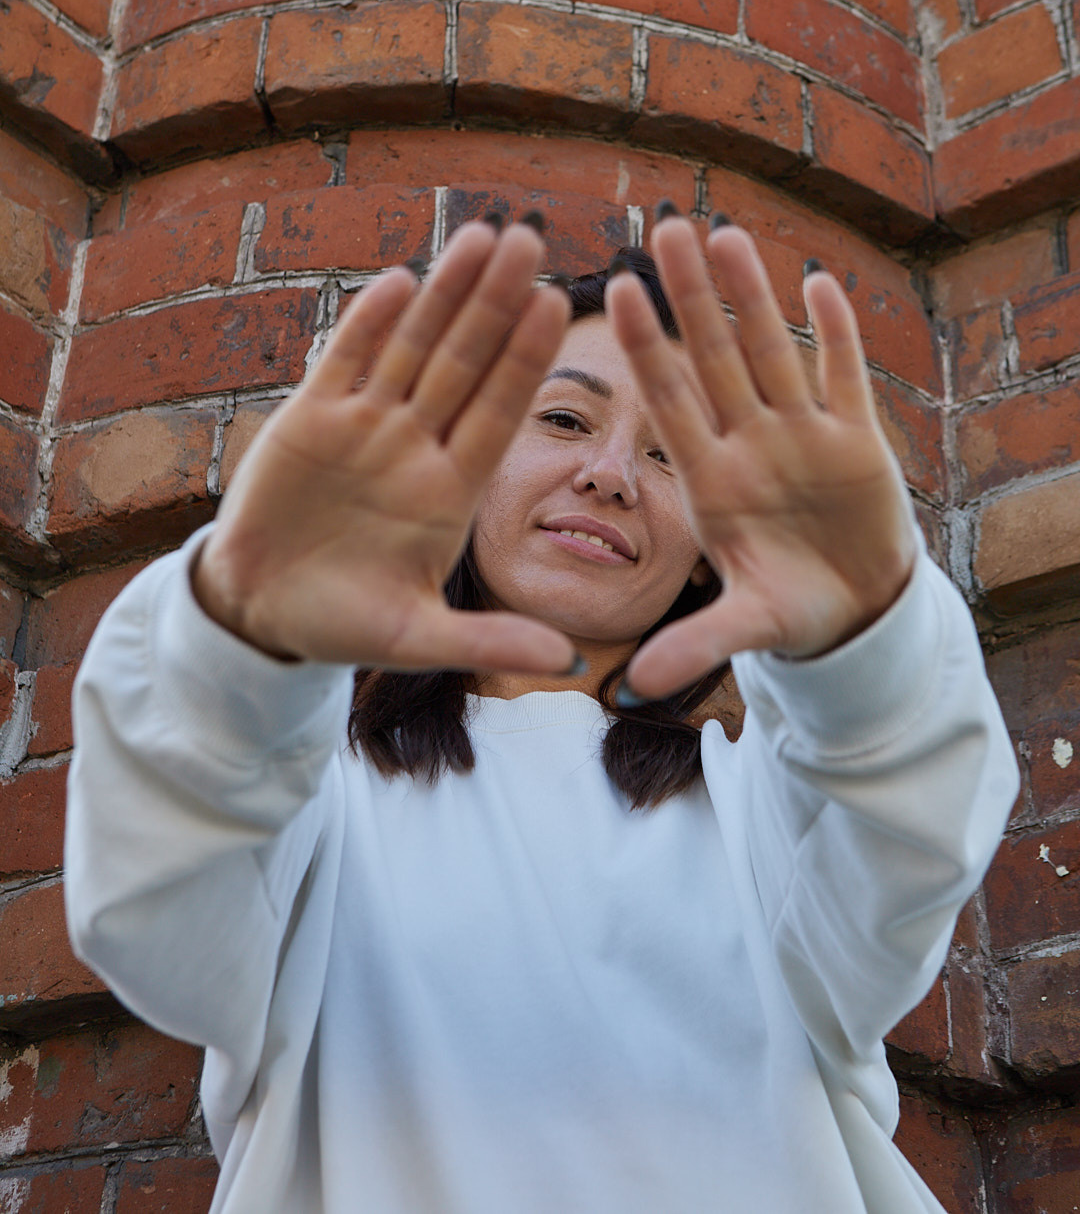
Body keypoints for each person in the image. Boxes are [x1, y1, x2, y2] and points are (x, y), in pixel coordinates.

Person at [65, 212, 1018, 1214]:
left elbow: (906, 826)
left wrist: (862, 633)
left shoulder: (765, 818)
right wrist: (243, 634)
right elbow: (154, 916)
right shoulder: (312, 803)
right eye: (565, 420)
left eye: (670, 456)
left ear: (709, 552)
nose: (608, 475)